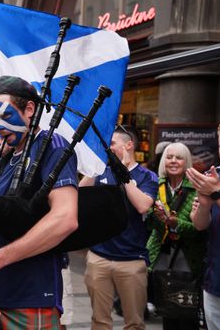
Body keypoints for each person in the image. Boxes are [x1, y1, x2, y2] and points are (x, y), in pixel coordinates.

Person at [0, 76, 79, 328]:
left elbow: (65, 218)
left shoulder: (53, 147)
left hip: (30, 297)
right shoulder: (5, 159)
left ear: (29, 109)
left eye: (6, 115)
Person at [81, 125, 158, 330]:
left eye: (112, 143)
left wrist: (122, 173)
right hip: (99, 257)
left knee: (134, 323)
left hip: (131, 261)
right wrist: (95, 166)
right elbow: (77, 196)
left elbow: (142, 205)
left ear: (129, 145)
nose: (108, 148)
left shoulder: (146, 176)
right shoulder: (102, 171)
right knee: (99, 321)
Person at [146, 142, 206, 329]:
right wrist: (156, 217)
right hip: (162, 257)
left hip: (187, 258)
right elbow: (149, 226)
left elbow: (201, 229)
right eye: (169, 157)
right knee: (167, 312)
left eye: (179, 158)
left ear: (186, 161)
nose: (173, 161)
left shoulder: (197, 188)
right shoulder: (156, 185)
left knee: (187, 314)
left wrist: (175, 223)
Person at [187, 120, 220, 330]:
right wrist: (203, 205)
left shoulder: (215, 185)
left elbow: (218, 196)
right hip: (216, 282)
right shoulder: (218, 175)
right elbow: (200, 225)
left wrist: (217, 194)